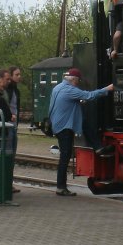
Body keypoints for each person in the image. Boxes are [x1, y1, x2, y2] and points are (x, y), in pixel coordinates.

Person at [49, 67, 114, 196]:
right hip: (64, 127)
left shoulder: (57, 88)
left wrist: (78, 100)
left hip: (57, 124)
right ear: (73, 79)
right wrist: (107, 89)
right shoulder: (69, 89)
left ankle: (98, 147)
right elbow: (89, 96)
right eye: (77, 81)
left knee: (83, 122)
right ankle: (60, 187)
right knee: (65, 156)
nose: (78, 84)